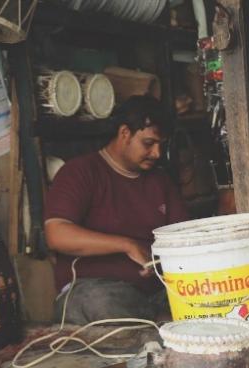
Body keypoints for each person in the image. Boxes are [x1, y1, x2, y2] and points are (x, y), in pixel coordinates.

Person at [44, 95, 188, 324]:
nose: (157, 154)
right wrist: (127, 245)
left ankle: (159, 326)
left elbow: (183, 238)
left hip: (156, 294)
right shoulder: (80, 172)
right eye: (149, 144)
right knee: (97, 301)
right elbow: (57, 234)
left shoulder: (160, 181)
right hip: (97, 291)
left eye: (162, 145)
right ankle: (159, 327)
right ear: (124, 134)